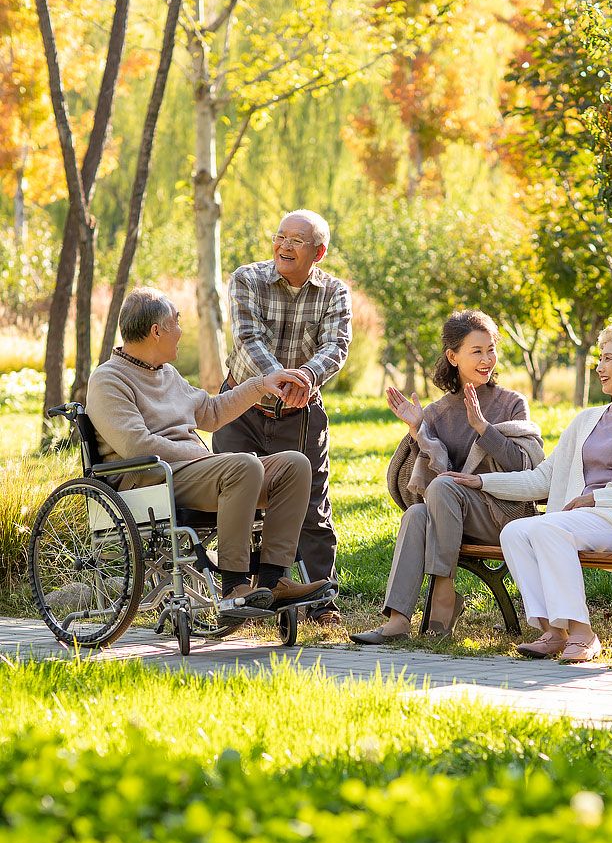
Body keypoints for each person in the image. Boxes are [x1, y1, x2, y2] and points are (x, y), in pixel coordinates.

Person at [86, 288, 332, 622]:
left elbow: (212, 412)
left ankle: (273, 582)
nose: (181, 330)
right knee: (241, 465)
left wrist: (261, 384)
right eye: (176, 321)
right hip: (150, 482)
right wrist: (198, 459)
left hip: (194, 474)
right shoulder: (107, 380)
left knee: (294, 465)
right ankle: (234, 588)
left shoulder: (166, 374)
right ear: (156, 331)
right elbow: (136, 446)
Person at [446, 319, 612, 662]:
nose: (599, 367)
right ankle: (554, 632)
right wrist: (483, 482)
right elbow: (542, 479)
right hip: (582, 520)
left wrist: (597, 497)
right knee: (515, 532)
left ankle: (583, 633)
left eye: (608, 358)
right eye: (599, 358)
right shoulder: (586, 420)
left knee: (550, 529)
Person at [350, 310, 544, 645]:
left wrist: (485, 429)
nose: (487, 360)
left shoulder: (512, 404)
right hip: (455, 519)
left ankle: (444, 591)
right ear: (453, 357)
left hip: (504, 516)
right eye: (477, 351)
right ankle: (397, 619)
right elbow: (422, 482)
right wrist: (419, 431)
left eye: (491, 350)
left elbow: (525, 468)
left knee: (443, 487)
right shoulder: (438, 412)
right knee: (416, 513)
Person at [212, 209, 352, 627]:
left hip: (301, 410)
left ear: (318, 252)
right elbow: (247, 338)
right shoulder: (247, 279)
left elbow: (337, 346)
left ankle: (322, 601)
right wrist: (275, 378)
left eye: (296, 240)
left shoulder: (334, 292)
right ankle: (238, 597)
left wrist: (306, 376)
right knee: (236, 499)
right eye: (280, 237)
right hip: (242, 406)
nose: (284, 246)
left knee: (311, 505)